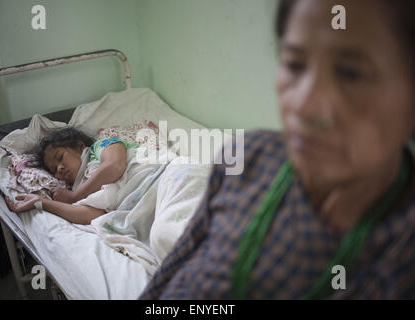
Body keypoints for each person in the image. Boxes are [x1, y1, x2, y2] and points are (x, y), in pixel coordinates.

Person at [140, 0, 415, 299]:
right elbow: (175, 265)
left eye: (351, 74)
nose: (304, 105)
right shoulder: (248, 156)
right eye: (294, 64)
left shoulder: (401, 255)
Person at [5, 128, 138, 225]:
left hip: (153, 178)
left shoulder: (101, 146)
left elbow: (115, 165)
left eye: (60, 157)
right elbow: (93, 215)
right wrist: (41, 202)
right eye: (54, 170)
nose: (60, 168)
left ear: (79, 147)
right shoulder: (81, 186)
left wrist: (73, 197)